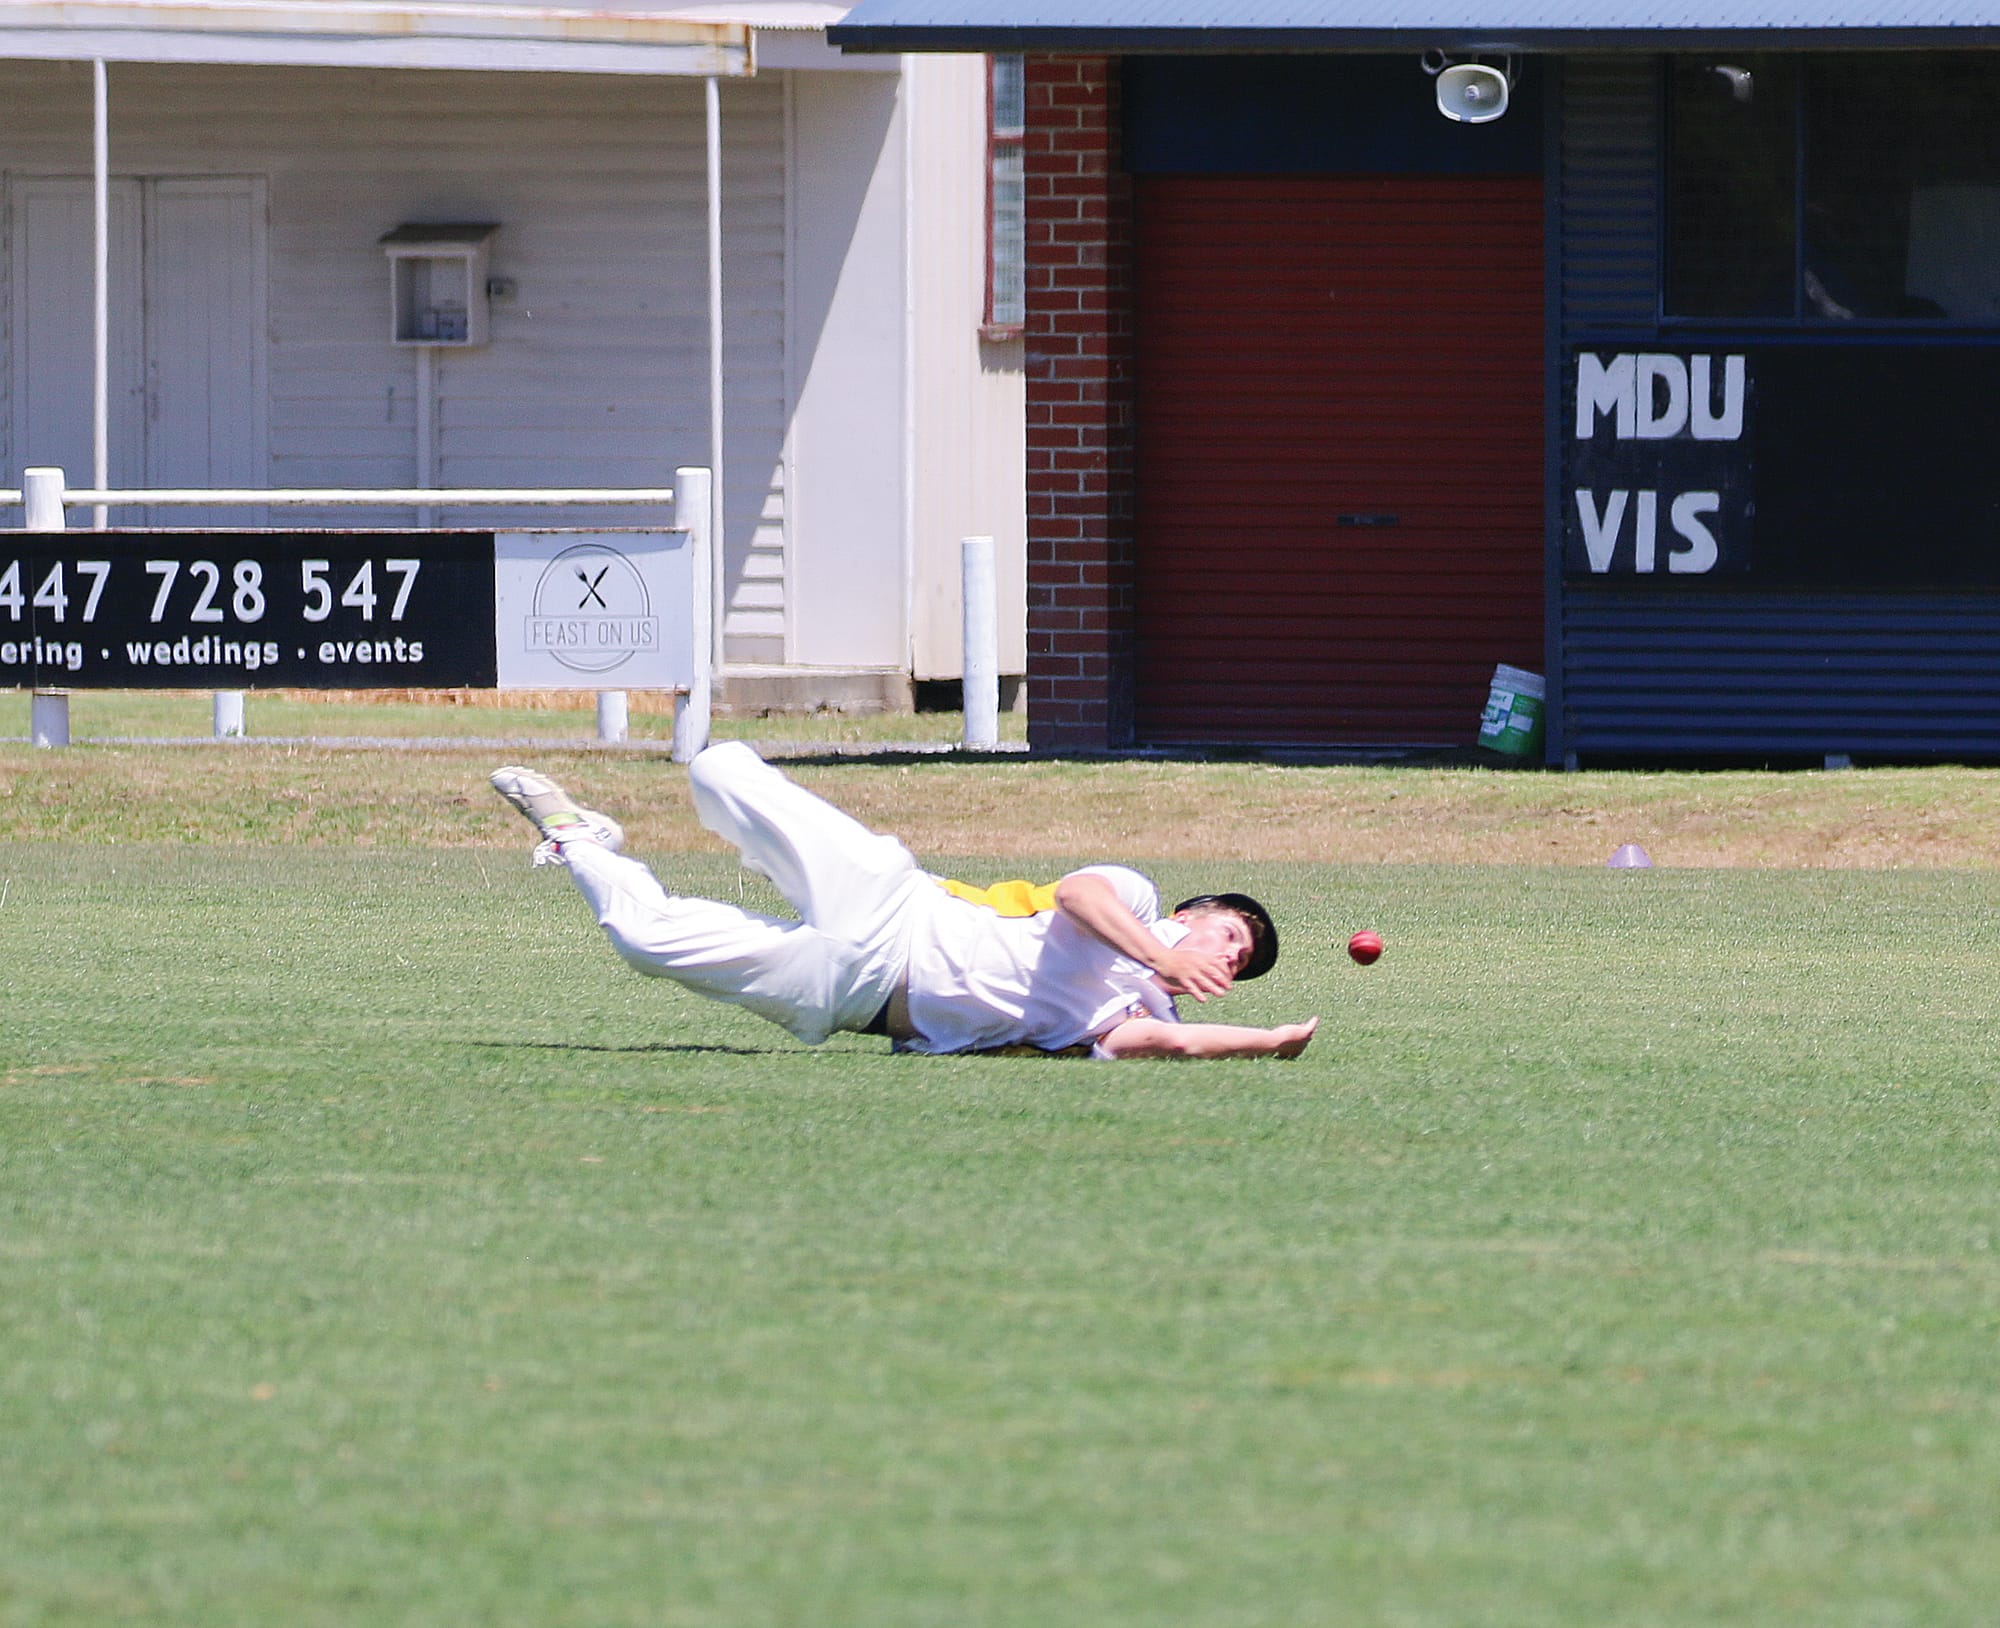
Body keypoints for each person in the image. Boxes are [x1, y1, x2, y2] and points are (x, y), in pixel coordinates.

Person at [490, 744, 1319, 1061]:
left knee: (644, 939)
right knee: (716, 770)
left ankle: (577, 837)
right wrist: (1161, 951)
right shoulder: (1135, 904)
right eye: (1230, 933)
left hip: (856, 997)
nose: (1231, 952)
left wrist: (1269, 1040)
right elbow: (1078, 893)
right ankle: (732, 828)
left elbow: (1167, 1044)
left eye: (1239, 961)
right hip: (895, 906)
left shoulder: (1135, 1014)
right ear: (1193, 911)